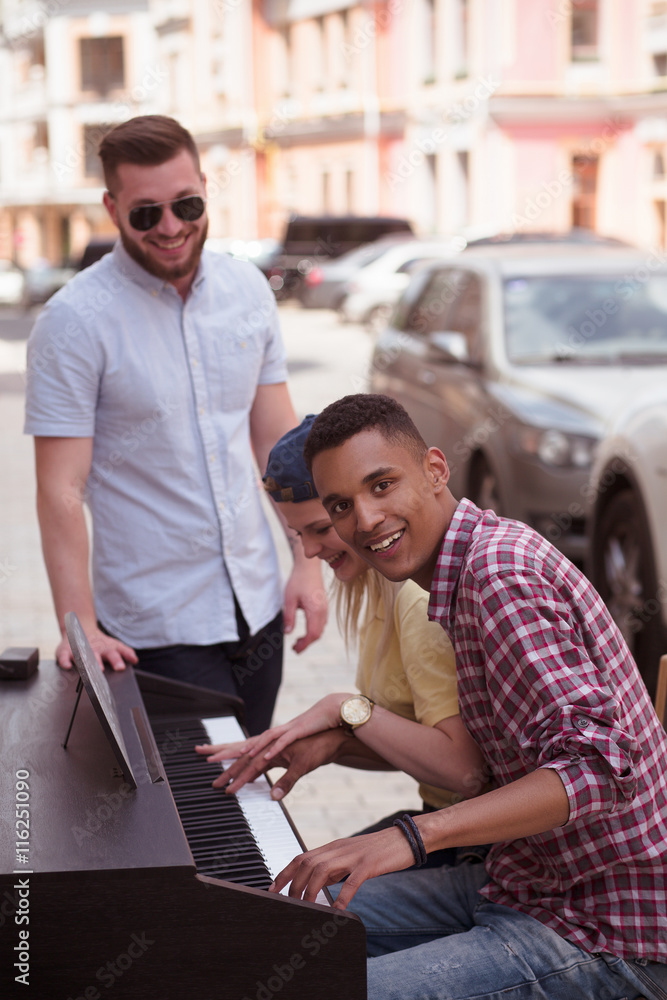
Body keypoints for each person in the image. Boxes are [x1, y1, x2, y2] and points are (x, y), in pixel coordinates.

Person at [266, 393, 667, 1000]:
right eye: (342, 505)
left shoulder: (497, 577)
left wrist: (412, 836)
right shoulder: (464, 572)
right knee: (275, 924)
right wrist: (337, 742)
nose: (365, 520)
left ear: (434, 469)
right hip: (529, 881)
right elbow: (484, 753)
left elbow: (597, 770)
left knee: (328, 986)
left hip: (608, 927)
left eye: (382, 484)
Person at [23, 115, 325, 734]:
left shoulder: (248, 290)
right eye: (145, 213)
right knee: (192, 814)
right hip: (155, 630)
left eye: (185, 204)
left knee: (245, 795)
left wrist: (307, 562)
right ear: (111, 207)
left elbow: (279, 442)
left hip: (258, 607)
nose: (170, 227)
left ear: (205, 189)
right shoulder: (73, 322)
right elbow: (59, 489)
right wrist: (77, 625)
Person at [196, 415, 488, 865]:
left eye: (319, 528)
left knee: (301, 907)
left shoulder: (414, 602)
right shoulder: (374, 586)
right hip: (444, 819)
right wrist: (330, 744)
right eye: (298, 535)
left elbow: (464, 771)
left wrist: (345, 712)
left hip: (473, 839)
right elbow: (418, 744)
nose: (310, 551)